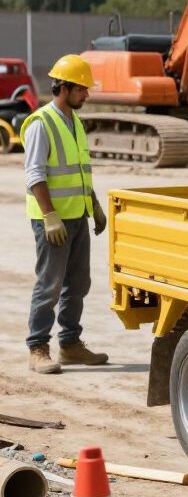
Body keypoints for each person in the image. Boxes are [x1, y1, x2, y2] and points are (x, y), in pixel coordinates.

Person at [24, 55, 108, 374]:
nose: (86, 95)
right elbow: (35, 174)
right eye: (82, 89)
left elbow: (81, 172)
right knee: (50, 283)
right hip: (53, 220)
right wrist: (49, 215)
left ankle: (70, 345)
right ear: (64, 87)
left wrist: (94, 205)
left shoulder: (75, 122)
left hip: (77, 218)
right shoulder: (41, 123)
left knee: (78, 282)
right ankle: (37, 347)